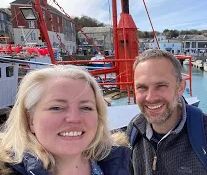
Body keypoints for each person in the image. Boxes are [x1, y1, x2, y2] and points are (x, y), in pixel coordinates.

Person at [127, 49, 207, 174]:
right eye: (142, 87)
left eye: (161, 86)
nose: (150, 97)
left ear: (180, 88)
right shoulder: (135, 129)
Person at [0, 65, 131, 175]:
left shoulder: (124, 162)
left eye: (86, 107)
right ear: (31, 119)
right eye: (56, 107)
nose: (74, 118)